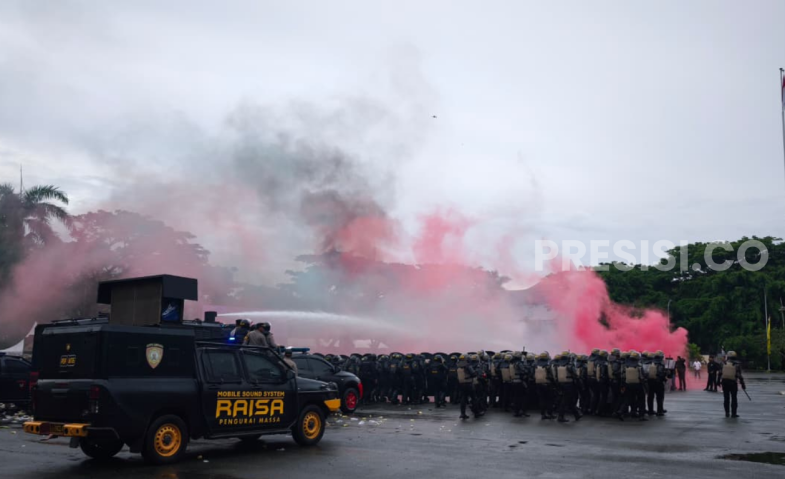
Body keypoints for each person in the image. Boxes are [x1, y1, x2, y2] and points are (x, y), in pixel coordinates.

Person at [718, 351, 745, 418]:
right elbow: (739, 375)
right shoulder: (737, 364)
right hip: (733, 383)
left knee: (726, 398)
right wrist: (742, 384)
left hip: (724, 383)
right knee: (734, 399)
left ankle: (727, 413)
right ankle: (733, 413)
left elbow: (720, 373)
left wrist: (718, 381)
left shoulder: (723, 363)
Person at [646, 351, 668, 416]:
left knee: (650, 397)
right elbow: (663, 374)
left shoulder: (649, 363)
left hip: (650, 382)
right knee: (660, 397)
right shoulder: (662, 364)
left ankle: (650, 411)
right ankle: (659, 411)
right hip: (659, 382)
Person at [456, 354, 478, 419]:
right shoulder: (468, 365)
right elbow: (473, 374)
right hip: (469, 384)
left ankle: (462, 414)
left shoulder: (458, 365)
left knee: (463, 399)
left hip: (461, 384)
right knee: (474, 398)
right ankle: (476, 412)